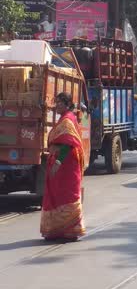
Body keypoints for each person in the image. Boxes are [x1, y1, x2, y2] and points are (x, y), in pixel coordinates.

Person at [40, 93, 88, 241]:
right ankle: (57, 230)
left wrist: (58, 162)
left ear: (67, 105)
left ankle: (70, 229)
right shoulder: (64, 118)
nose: (57, 105)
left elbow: (68, 144)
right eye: (57, 102)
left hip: (66, 164)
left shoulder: (67, 120)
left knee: (67, 194)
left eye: (60, 103)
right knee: (56, 193)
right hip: (61, 164)